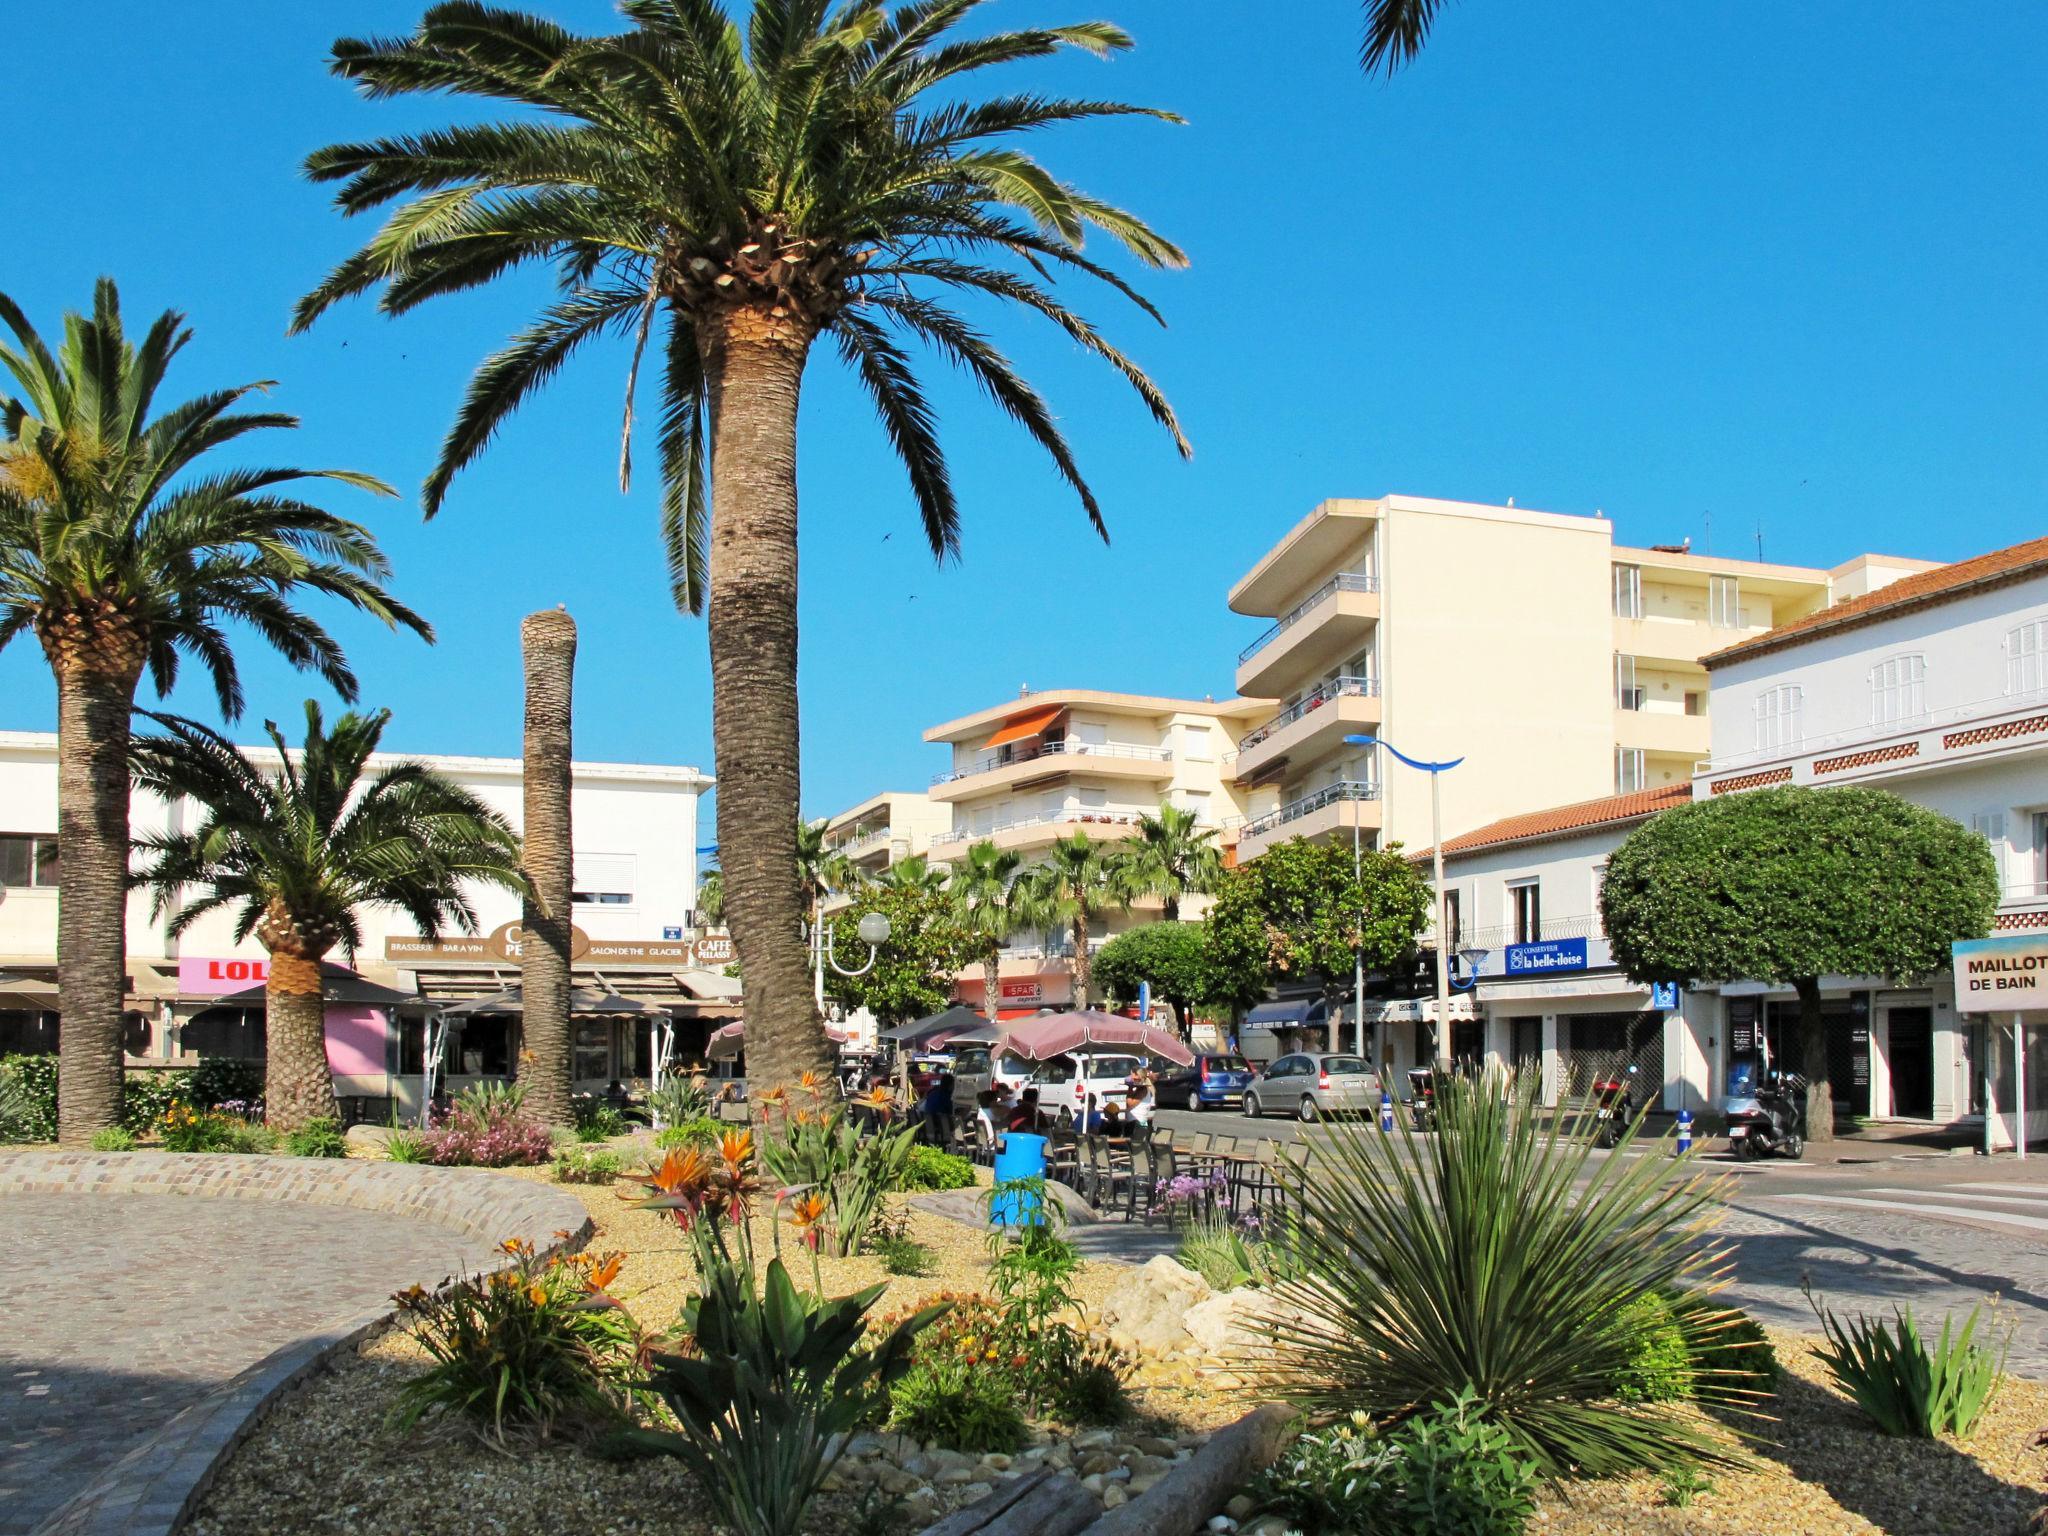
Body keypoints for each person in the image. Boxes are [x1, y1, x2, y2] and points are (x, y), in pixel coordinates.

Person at [918, 1071, 956, 1147]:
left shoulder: (933, 1093)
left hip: (929, 1125)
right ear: (950, 1085)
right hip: (940, 1127)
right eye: (953, 1085)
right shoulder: (946, 1097)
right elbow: (950, 1114)